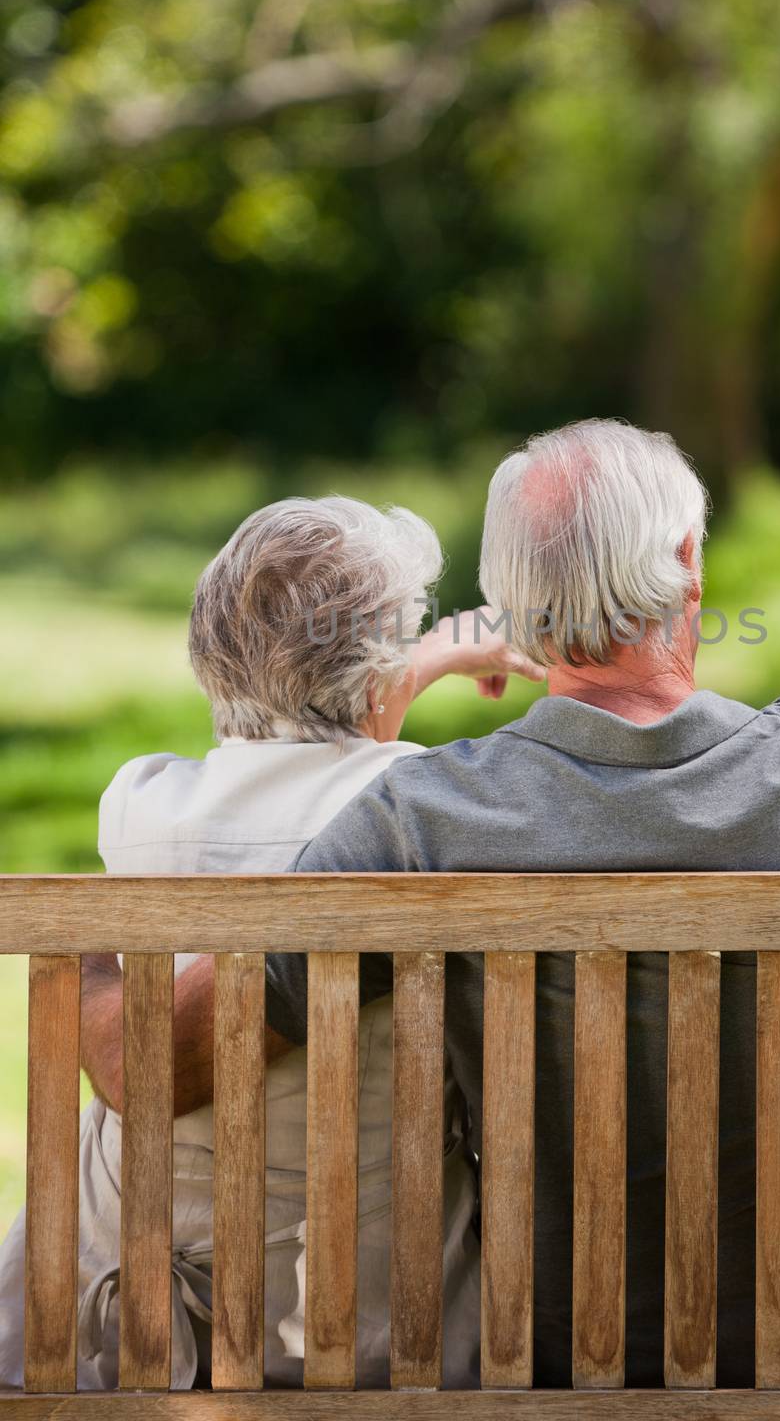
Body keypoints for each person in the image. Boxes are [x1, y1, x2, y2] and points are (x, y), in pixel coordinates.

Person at [79, 420, 780, 1387]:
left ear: (506, 601)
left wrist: (89, 950)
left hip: (556, 1344)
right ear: (688, 559)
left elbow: (149, 1059)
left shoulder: (421, 824)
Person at [0, 494, 543, 1390]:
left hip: (112, 1319)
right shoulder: (427, 813)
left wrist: (405, 664)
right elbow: (358, 765)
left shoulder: (139, 807)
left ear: (214, 653)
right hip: (368, 1332)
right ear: (379, 676)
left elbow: (311, 740)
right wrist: (421, 665)